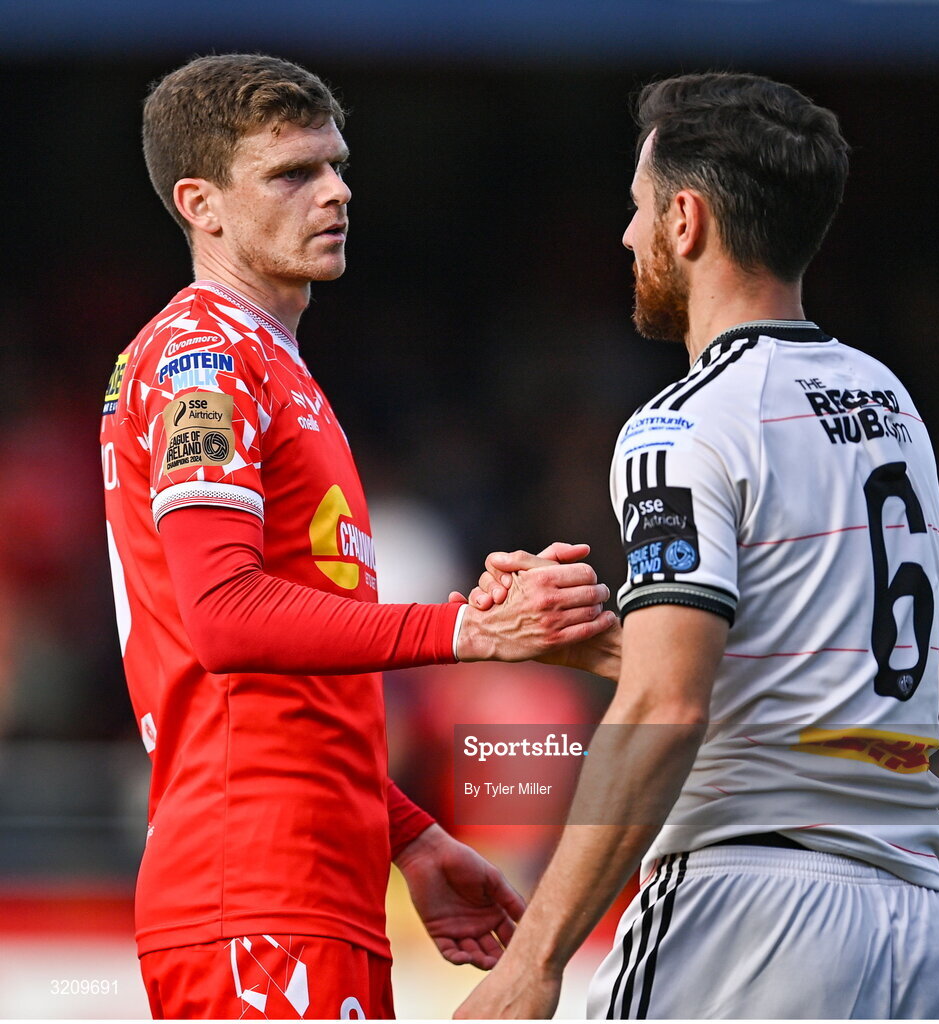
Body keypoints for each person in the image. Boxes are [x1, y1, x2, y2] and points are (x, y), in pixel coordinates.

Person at [100, 53, 617, 1020]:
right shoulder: (205, 360)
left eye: (337, 165)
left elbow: (287, 688)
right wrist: (466, 631)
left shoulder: (272, 366)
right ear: (200, 204)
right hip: (251, 891)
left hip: (307, 888)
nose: (335, 191)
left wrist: (408, 833)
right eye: (292, 174)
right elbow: (224, 619)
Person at [456, 71, 939, 1019]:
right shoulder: (892, 404)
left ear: (685, 220)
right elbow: (814, 674)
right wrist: (597, 642)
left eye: (636, 209)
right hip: (919, 923)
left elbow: (668, 703)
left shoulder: (680, 427)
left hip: (750, 911)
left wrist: (532, 963)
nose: (625, 237)